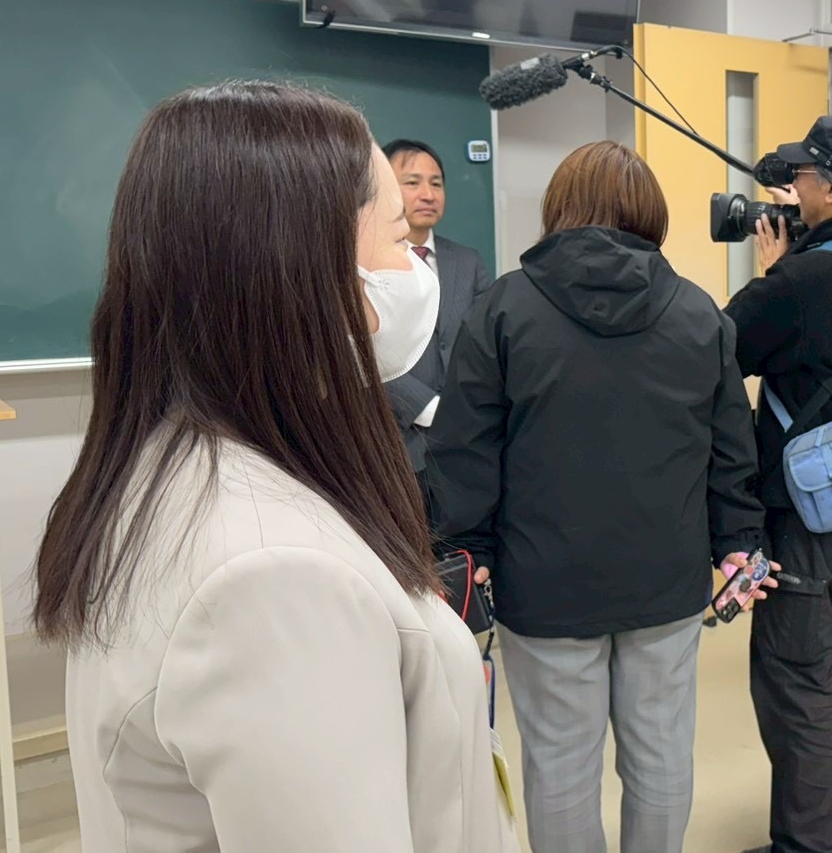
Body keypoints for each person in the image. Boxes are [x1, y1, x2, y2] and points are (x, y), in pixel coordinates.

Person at [33, 81, 520, 851]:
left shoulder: (185, 464)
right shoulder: (276, 577)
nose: (414, 271)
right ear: (306, 270)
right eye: (397, 238)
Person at [427, 140, 773, 853]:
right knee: (662, 756)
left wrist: (466, 548)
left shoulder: (502, 310)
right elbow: (730, 450)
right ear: (651, 214)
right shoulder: (700, 314)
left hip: (544, 585)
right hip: (666, 581)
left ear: (559, 208)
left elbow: (465, 450)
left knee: (558, 766)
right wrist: (738, 543)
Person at [726, 116, 832, 853]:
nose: (791, 189)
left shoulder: (804, 279)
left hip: (807, 516)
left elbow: (723, 348)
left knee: (796, 678)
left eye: (801, 176)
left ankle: (806, 844)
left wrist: (773, 272)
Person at [380, 137, 491, 492]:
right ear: (383, 187)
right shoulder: (366, 263)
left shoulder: (468, 262)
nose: (428, 194)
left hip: (466, 444)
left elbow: (486, 345)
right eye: (412, 183)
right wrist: (430, 409)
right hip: (393, 446)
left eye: (436, 183)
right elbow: (366, 351)